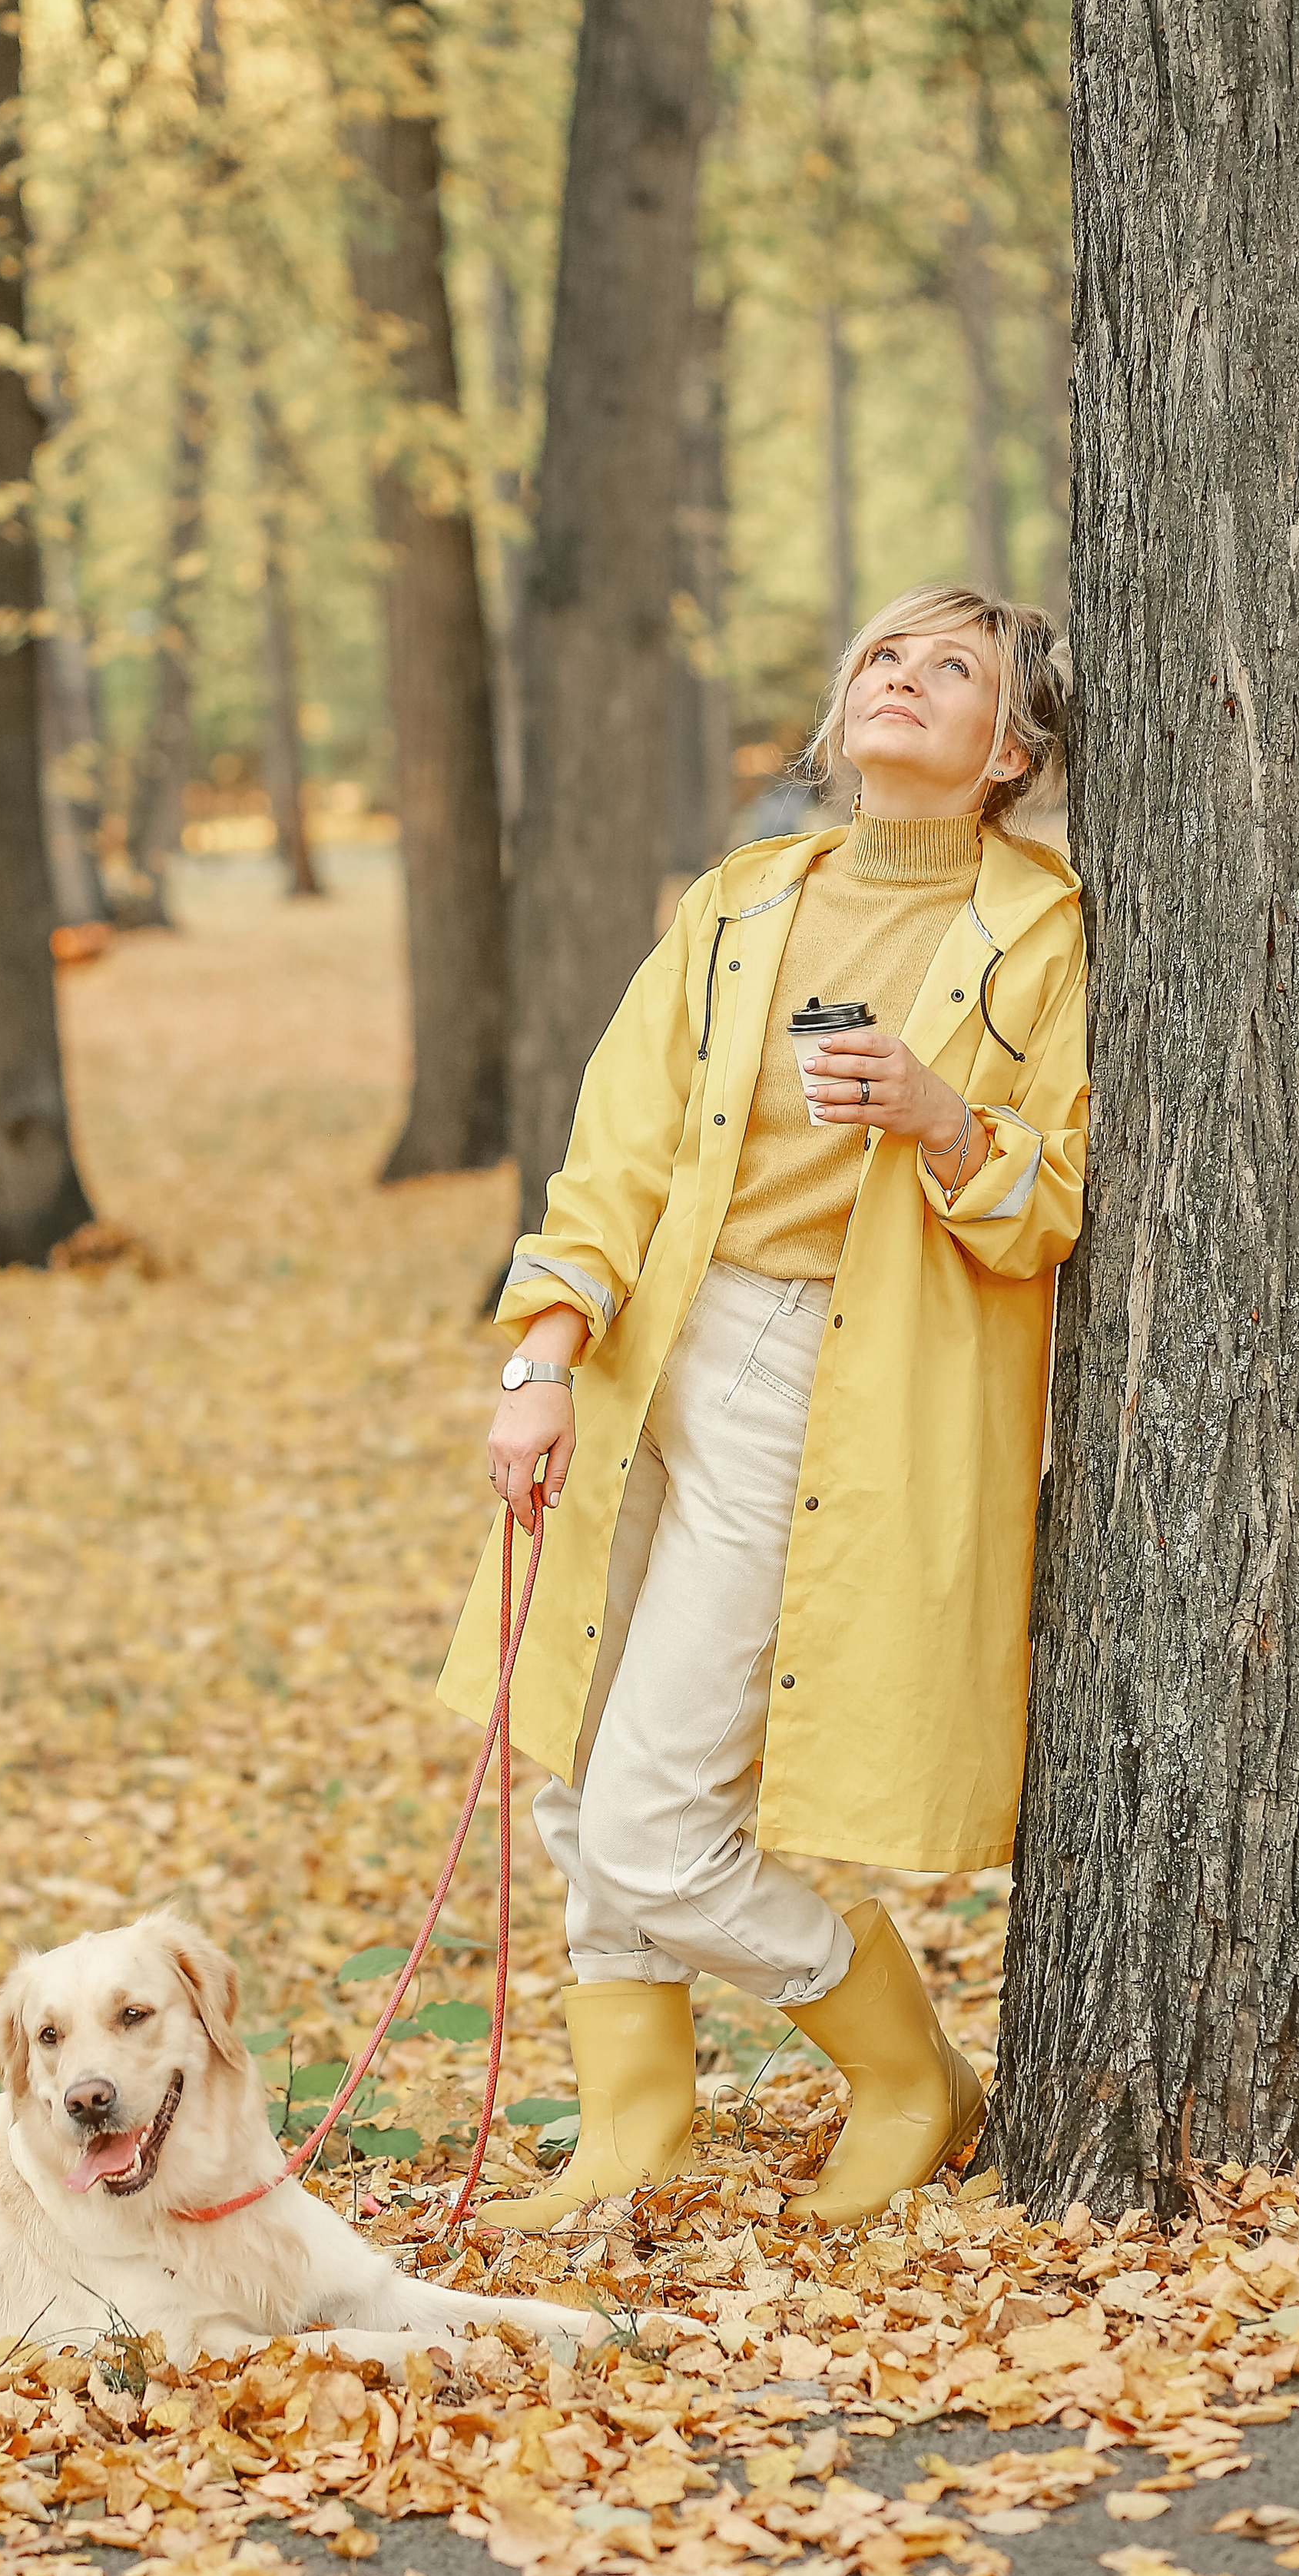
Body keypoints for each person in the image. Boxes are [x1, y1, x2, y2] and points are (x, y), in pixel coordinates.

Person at [437, 585, 1089, 2233]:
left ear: (1006, 750)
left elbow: (1051, 1203)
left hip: (829, 1371)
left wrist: (947, 1124)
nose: (901, 677)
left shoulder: (1047, 929)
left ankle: (901, 2074)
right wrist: (542, 1354)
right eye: (884, 652)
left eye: (952, 668)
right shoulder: (742, 899)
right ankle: (633, 2124)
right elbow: (618, 1148)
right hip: (649, 1341)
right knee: (581, 1763)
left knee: (658, 1825)